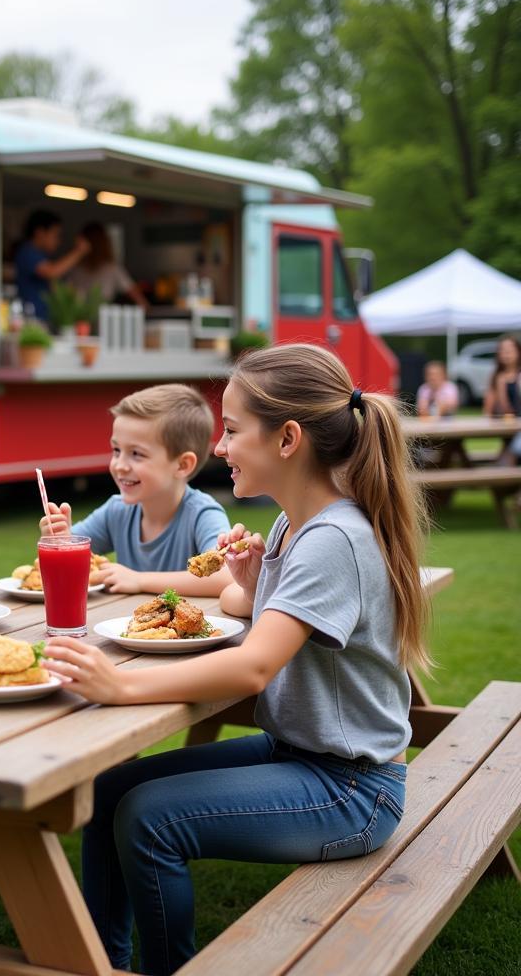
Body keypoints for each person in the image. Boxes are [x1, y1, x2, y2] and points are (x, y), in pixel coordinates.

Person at [42, 344, 429, 974]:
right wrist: (251, 583)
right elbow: (239, 603)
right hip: (301, 755)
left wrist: (118, 686)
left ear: (288, 440)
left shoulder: (332, 538)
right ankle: (102, 964)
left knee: (148, 819)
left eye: (231, 430)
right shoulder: (291, 525)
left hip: (353, 790)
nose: (220, 448)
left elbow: (254, 667)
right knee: (112, 790)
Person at [40, 384, 232, 596]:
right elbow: (65, 565)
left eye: (136, 454)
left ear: (182, 465)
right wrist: (61, 541)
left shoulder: (202, 514)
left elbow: (224, 576)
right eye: (116, 450)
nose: (120, 465)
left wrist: (139, 580)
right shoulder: (117, 510)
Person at [13, 210, 90, 322]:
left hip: (44, 319)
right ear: (39, 232)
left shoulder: (41, 256)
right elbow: (51, 272)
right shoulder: (28, 252)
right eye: (55, 235)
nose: (58, 241)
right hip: (32, 320)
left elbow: (55, 285)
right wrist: (79, 251)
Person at [69, 221, 148, 308]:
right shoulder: (76, 268)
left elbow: (137, 296)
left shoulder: (112, 268)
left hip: (104, 318)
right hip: (79, 319)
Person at [482, 335, 521, 464]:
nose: (506, 354)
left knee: (510, 454)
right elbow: (491, 411)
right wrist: (500, 389)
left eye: (510, 349)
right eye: (503, 350)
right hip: (507, 430)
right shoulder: (496, 378)